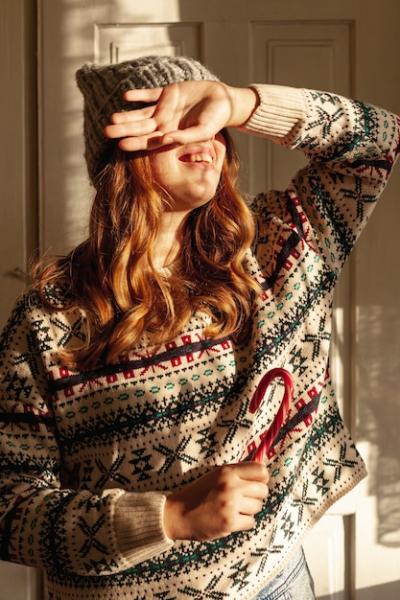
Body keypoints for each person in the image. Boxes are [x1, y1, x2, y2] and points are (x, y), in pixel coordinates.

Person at [0, 55, 398, 600]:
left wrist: (239, 102)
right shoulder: (50, 317)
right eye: (174, 117)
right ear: (121, 152)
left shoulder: (276, 248)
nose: (203, 133)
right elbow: (8, 506)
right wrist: (169, 517)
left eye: (205, 116)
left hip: (275, 583)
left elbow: (377, 143)